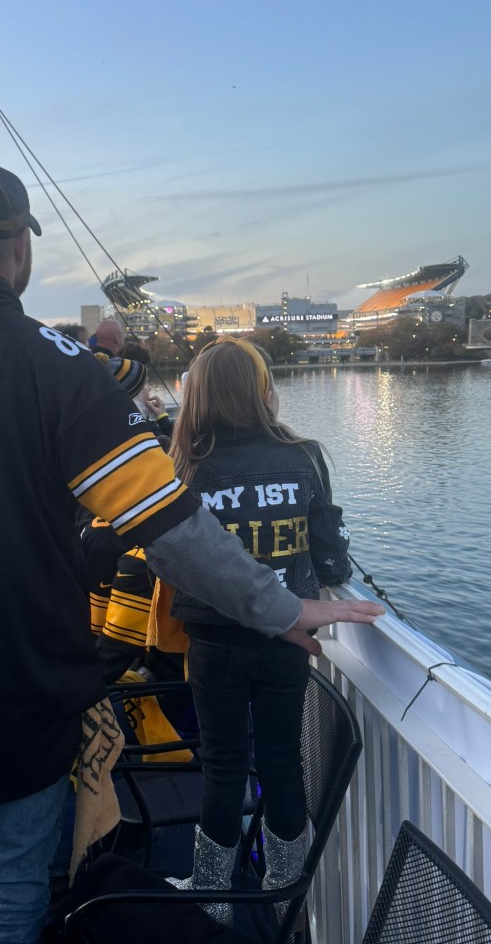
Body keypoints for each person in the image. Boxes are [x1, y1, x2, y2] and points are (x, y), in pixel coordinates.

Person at [0, 162, 382, 944]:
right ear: (20, 251)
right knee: (3, 884)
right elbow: (166, 524)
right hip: (16, 672)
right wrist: (284, 607)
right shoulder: (57, 367)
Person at [166, 336, 354, 923]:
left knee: (222, 764)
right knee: (280, 761)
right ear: (262, 390)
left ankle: (212, 896)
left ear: (199, 394)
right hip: (287, 638)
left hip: (213, 639)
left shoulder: (188, 463)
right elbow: (330, 560)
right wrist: (331, 569)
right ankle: (284, 894)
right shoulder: (305, 456)